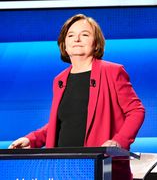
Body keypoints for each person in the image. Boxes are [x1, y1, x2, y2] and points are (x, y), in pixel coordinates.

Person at [9, 14, 145, 180]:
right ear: (64, 45)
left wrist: (118, 142)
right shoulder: (59, 80)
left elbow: (136, 111)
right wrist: (32, 140)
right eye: (71, 35)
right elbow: (63, 122)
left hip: (99, 167)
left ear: (96, 43)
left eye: (85, 34)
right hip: (63, 168)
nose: (77, 39)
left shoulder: (112, 71)